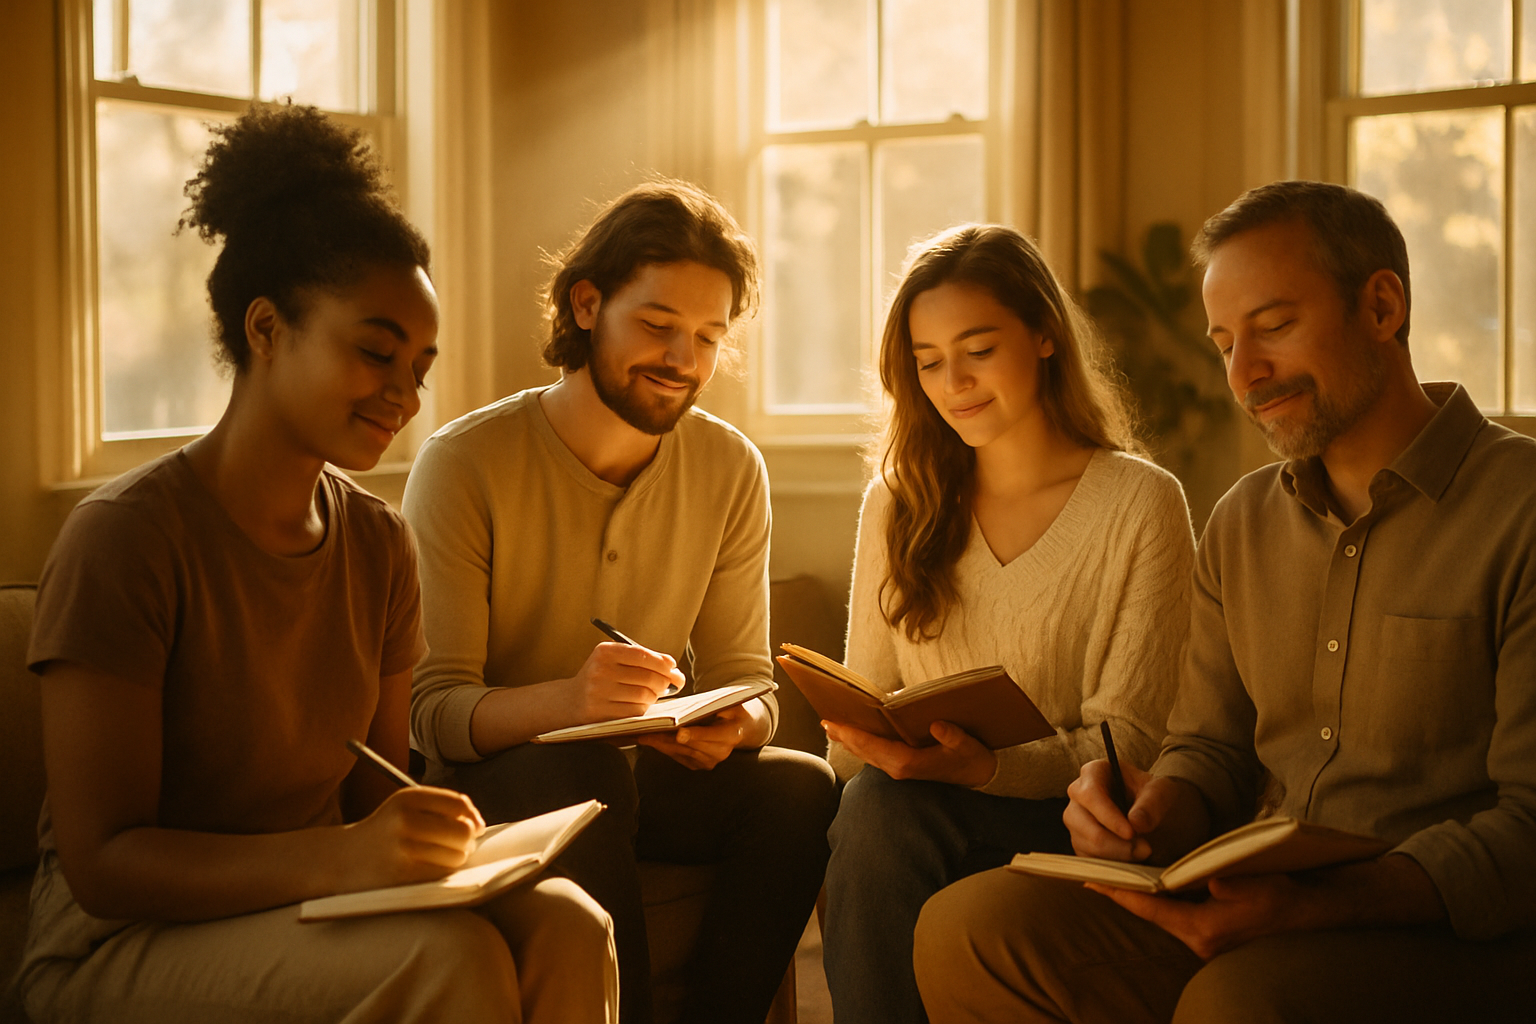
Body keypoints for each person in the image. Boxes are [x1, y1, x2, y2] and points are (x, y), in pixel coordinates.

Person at [16, 104, 617, 1024]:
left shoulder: (377, 542)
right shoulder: (125, 539)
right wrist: (343, 857)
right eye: (376, 352)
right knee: (449, 960)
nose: (405, 396)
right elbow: (105, 864)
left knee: (570, 921)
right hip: (116, 944)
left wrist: (446, 838)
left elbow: (379, 789)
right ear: (265, 330)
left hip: (301, 901)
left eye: (419, 367)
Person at [912, 181, 1536, 1023]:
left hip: (1449, 935)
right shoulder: (1242, 521)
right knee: (968, 927)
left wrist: (1319, 904)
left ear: (1382, 305)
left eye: (1274, 327)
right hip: (1261, 908)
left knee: (1235, 1004)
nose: (1246, 374)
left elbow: (1530, 825)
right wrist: (1151, 810)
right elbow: (1208, 748)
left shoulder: (1520, 508)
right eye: (1224, 342)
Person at [402, 179, 839, 1024]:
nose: (684, 359)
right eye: (658, 326)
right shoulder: (464, 465)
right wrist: (568, 703)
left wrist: (731, 726)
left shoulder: (731, 470)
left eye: (708, 337)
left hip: (649, 776)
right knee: (585, 765)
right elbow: (432, 714)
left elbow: (751, 681)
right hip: (503, 788)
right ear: (587, 302)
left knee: (802, 789)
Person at [818, 224, 1195, 1024]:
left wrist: (983, 768)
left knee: (884, 818)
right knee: (873, 809)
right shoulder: (896, 503)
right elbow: (857, 720)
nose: (952, 382)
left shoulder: (1140, 503)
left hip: (1065, 821)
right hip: (908, 816)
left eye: (977, 349)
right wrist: (872, 744)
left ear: (1045, 335)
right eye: (927, 362)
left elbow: (1136, 744)